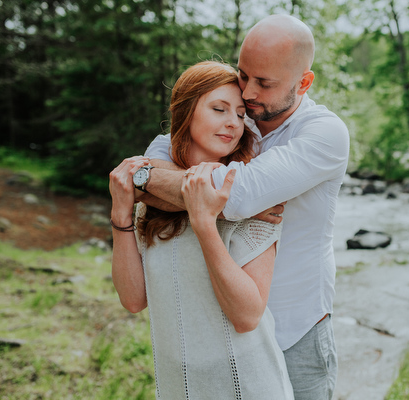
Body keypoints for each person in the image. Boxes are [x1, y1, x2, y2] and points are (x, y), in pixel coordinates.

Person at [137, 14, 350, 400]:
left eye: (264, 82)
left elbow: (234, 198)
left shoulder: (325, 134)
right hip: (227, 329)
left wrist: (153, 184)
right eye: (243, 74)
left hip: (294, 329)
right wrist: (151, 182)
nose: (248, 91)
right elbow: (153, 159)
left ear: (303, 82)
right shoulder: (237, 116)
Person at [109, 61, 294, 399]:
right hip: (178, 386)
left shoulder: (252, 199)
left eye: (240, 114)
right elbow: (133, 300)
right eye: (218, 109)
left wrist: (206, 223)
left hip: (248, 385)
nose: (232, 123)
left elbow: (247, 317)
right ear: (186, 114)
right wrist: (121, 213)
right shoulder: (155, 203)